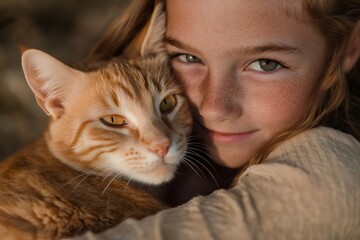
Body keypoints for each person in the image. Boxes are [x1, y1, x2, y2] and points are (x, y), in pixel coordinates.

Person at [71, 0, 360, 239]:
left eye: (266, 64)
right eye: (187, 57)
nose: (212, 108)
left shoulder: (330, 180)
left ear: (349, 46)